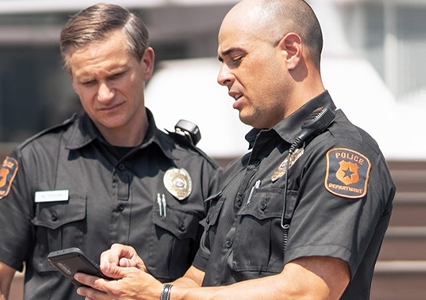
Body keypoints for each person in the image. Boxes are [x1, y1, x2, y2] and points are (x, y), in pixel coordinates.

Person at [75, 0, 396, 299]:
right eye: (223, 62)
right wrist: (139, 283)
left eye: (236, 59)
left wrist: (164, 296)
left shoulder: (338, 153)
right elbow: (198, 280)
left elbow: (307, 290)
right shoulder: (242, 169)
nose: (222, 76)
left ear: (291, 50)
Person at [0, 3, 221, 300]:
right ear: (73, 81)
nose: (105, 94)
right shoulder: (36, 161)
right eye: (89, 82)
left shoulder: (199, 174)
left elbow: (208, 282)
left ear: (146, 63)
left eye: (116, 75)